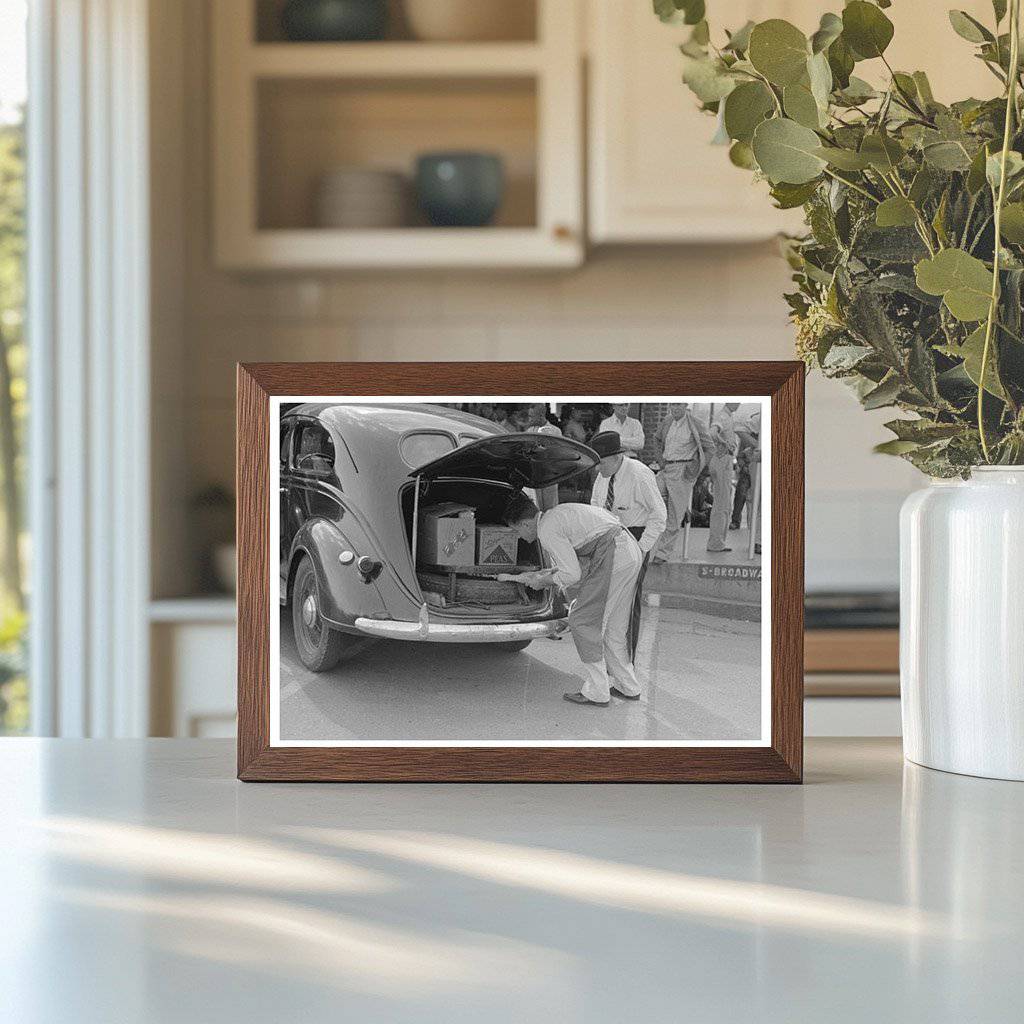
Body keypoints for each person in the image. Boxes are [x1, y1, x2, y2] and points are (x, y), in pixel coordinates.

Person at [500, 492, 645, 706]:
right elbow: (573, 562)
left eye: (516, 530)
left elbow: (572, 575)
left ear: (525, 524)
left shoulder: (546, 529)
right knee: (615, 626)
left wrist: (543, 582)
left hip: (613, 554)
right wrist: (547, 574)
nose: (519, 536)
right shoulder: (556, 515)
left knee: (584, 620)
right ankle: (628, 686)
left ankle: (597, 691)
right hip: (628, 550)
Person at [589, 430, 666, 658]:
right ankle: (609, 661)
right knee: (609, 603)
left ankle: (626, 665)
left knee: (628, 605)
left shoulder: (640, 475)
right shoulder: (603, 475)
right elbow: (595, 504)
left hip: (636, 536)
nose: (597, 468)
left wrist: (641, 550)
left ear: (616, 458)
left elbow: (659, 515)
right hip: (611, 537)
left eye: (600, 462)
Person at [651, 403, 711, 563]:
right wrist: (660, 461)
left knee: (674, 515)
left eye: (679, 404)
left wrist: (696, 467)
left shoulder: (696, 423)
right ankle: (684, 508)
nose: (675, 408)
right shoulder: (667, 421)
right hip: (665, 468)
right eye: (673, 404)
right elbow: (656, 439)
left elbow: (709, 448)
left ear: (685, 405)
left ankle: (662, 553)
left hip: (682, 470)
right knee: (652, 503)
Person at [707, 402, 740, 553]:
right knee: (722, 505)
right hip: (722, 459)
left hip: (723, 460)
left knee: (723, 503)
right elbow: (712, 433)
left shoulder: (727, 416)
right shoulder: (723, 416)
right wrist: (724, 443)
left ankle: (718, 541)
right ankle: (716, 543)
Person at [731, 410, 761, 531]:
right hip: (748, 469)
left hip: (752, 466)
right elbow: (740, 456)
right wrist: (758, 445)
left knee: (752, 499)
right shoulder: (748, 439)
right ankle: (736, 520)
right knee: (742, 496)